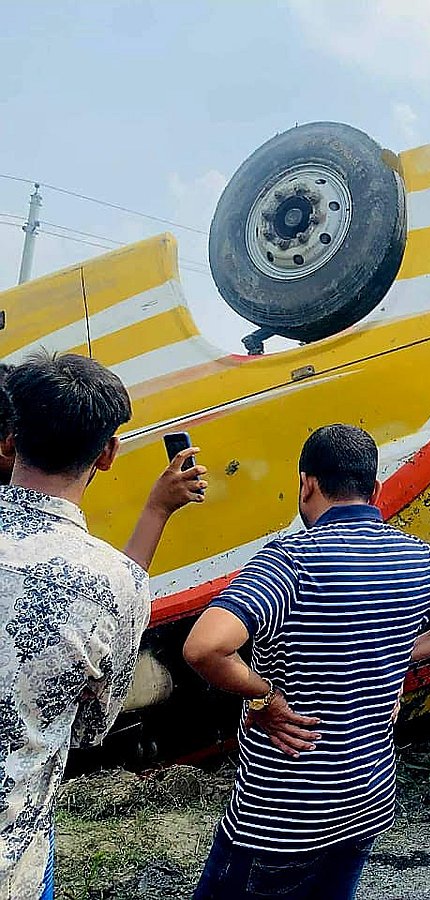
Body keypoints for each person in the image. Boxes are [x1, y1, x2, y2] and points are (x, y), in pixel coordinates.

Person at [184, 424, 430, 900]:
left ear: (306, 484)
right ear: (373, 490)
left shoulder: (291, 561)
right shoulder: (417, 557)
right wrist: (400, 651)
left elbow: (204, 647)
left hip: (281, 817)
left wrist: (264, 697)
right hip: (365, 802)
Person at [0, 352, 205, 900]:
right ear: (109, 453)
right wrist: (156, 512)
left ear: (9, 440)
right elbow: (91, 725)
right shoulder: (112, 584)